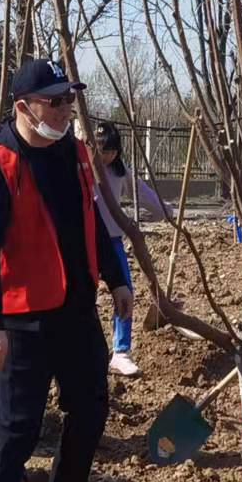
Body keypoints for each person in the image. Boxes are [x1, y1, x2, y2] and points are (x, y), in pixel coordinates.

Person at [0, 59, 131, 482]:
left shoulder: (75, 153)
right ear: (23, 107)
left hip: (77, 311)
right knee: (16, 429)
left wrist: (115, 277)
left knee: (89, 407)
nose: (65, 109)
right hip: (23, 320)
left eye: (68, 99)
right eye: (54, 101)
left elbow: (91, 220)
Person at [91, 119, 165, 377]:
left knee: (125, 293)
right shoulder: (83, 170)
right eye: (102, 149)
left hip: (112, 242)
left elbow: (145, 197)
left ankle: (121, 352)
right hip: (84, 242)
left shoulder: (121, 173)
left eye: (112, 150)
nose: (107, 155)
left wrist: (163, 212)